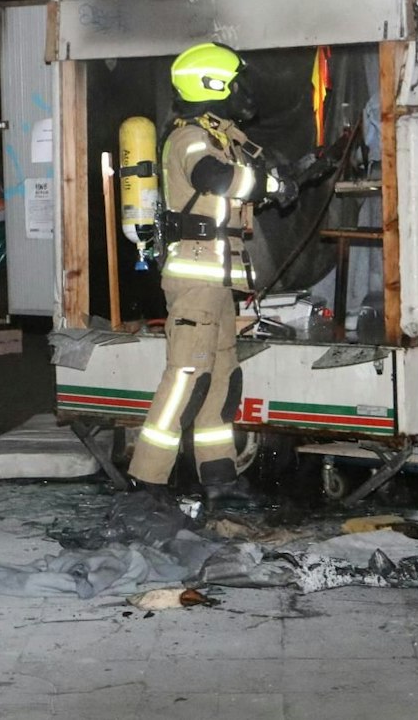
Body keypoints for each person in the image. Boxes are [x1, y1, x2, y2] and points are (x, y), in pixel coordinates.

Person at [129, 43, 296, 507]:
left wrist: (282, 178)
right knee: (187, 378)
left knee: (222, 379)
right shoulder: (190, 139)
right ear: (212, 86)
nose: (242, 92)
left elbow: (234, 188)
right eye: (234, 82)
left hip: (220, 279)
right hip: (195, 279)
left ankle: (218, 474)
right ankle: (147, 481)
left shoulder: (220, 135)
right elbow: (216, 179)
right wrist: (268, 183)